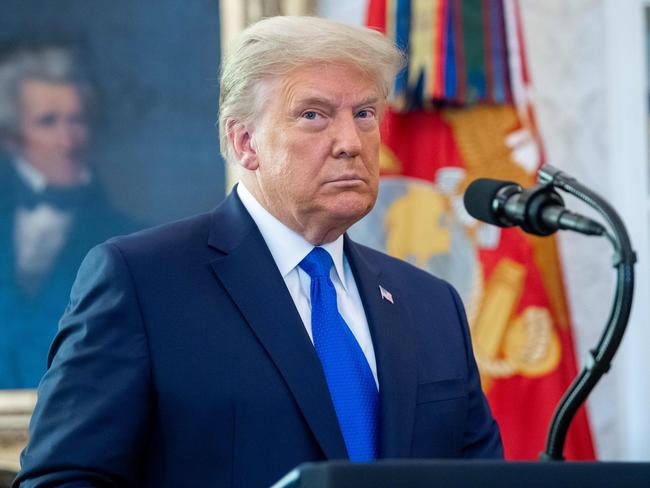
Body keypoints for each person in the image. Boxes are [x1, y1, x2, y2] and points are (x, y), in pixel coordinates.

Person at [15, 16, 502, 487]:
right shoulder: (142, 282)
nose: (351, 143)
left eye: (365, 114)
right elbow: (61, 479)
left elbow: (482, 479)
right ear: (245, 142)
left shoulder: (432, 304)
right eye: (314, 115)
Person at [0, 44, 135, 388]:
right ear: (12, 137)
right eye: (48, 122)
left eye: (76, 120)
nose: (67, 141)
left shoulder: (131, 239)